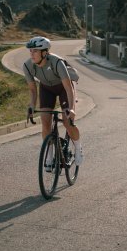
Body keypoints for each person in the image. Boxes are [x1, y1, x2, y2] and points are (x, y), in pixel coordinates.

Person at [23, 36, 83, 167]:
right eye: (30, 51)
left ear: (45, 53)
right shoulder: (27, 66)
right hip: (46, 88)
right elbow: (33, 89)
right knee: (45, 122)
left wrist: (71, 109)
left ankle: (78, 148)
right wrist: (31, 106)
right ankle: (49, 155)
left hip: (64, 87)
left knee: (67, 122)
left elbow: (68, 88)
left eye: (35, 51)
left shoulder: (57, 62)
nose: (32, 54)